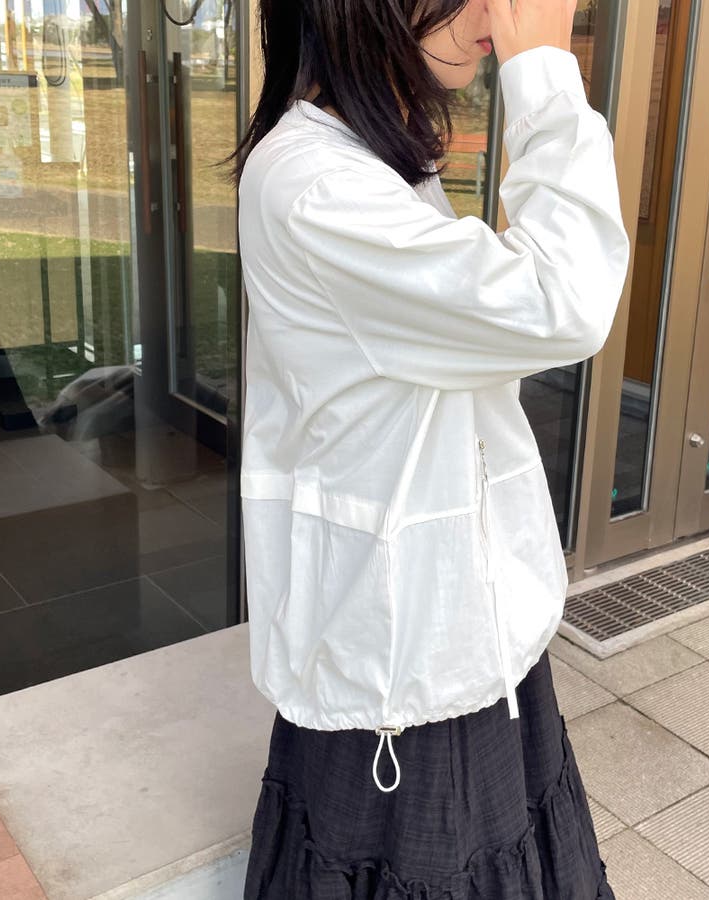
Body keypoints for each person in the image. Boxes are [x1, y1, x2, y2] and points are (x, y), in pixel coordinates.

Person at [233, 0, 629, 895]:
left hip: (451, 609)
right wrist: (542, 77)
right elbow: (563, 301)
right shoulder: (317, 184)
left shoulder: (362, 156)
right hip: (403, 655)